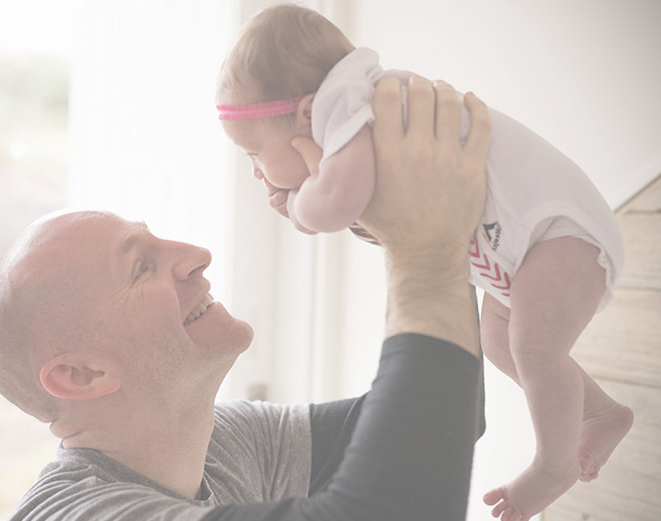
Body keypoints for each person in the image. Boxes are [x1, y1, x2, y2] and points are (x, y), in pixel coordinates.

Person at [0, 75, 490, 521]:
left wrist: (395, 216)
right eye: (141, 267)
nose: (197, 255)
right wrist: (425, 248)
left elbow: (444, 421)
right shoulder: (79, 514)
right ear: (81, 375)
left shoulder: (227, 441)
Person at [215, 5, 633, 520]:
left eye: (254, 154)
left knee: (531, 346)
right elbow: (380, 215)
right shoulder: (357, 111)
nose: (257, 172)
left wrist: (298, 205)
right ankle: (599, 412)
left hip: (561, 234)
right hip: (526, 251)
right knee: (501, 341)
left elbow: (337, 204)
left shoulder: (351, 109)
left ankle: (553, 464)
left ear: (305, 114)